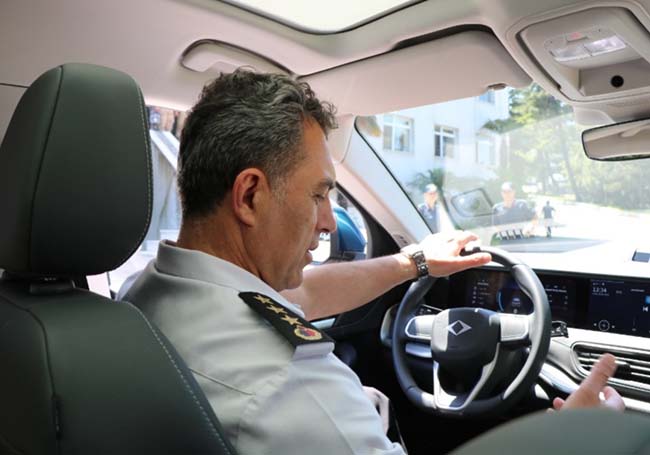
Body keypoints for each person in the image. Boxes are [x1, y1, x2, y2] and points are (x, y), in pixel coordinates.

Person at [124, 69, 623, 454]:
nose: (328, 221)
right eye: (318, 195)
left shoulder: (147, 294)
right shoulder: (289, 383)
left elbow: (303, 294)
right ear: (250, 195)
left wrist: (414, 263)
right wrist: (567, 440)